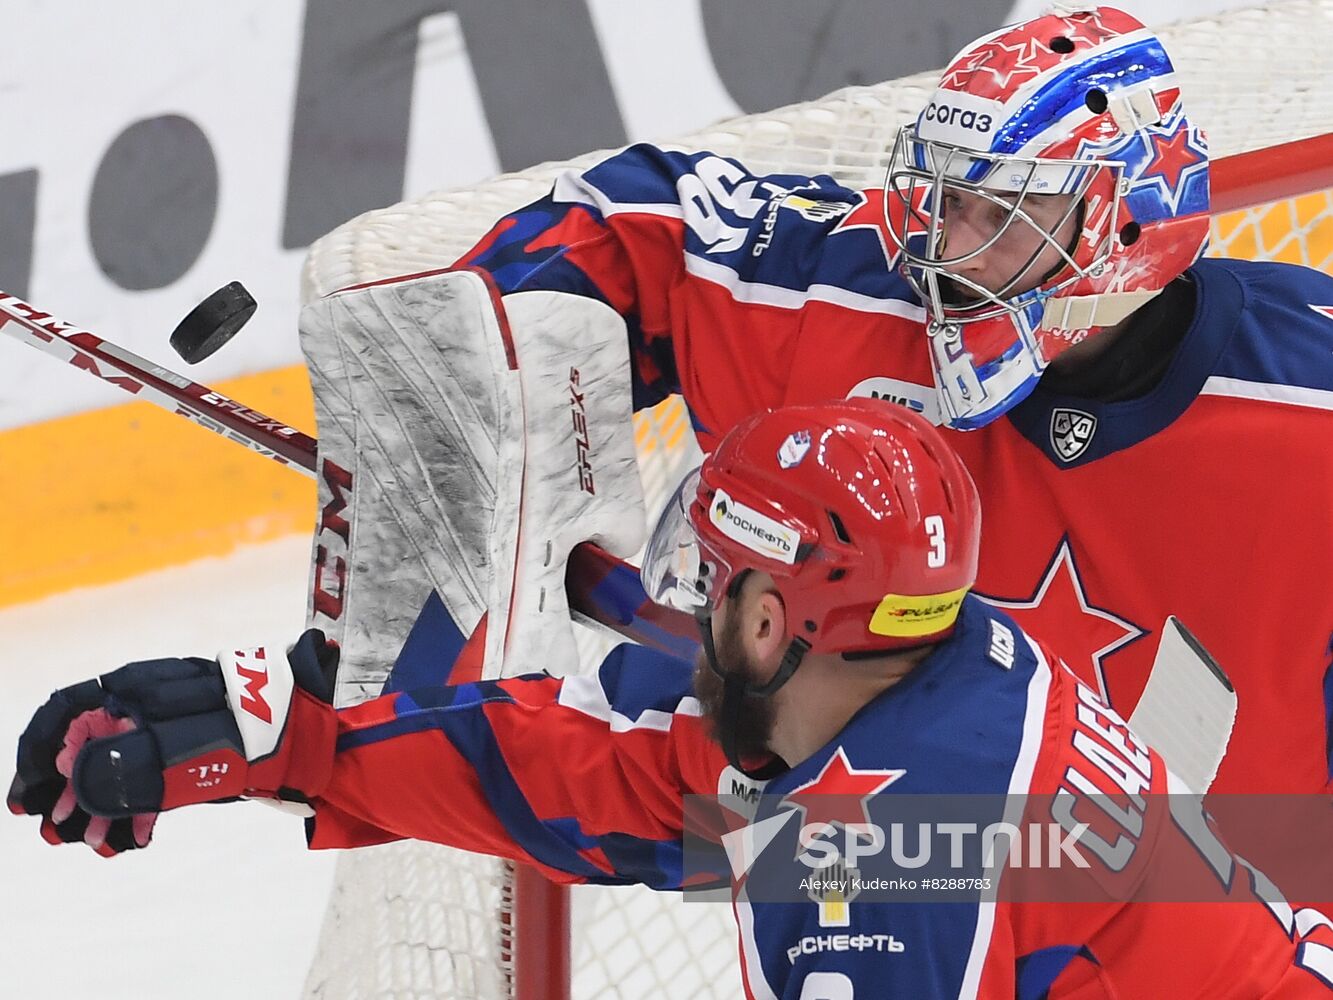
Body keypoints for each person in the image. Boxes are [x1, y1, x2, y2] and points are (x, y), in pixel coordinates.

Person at [11, 400, 1333, 997]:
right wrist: (307, 744)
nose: (693, 618)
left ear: (773, 621)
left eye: (713, 592)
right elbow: (641, 793)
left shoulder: (882, 882)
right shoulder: (954, 664)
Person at [446, 5, 1333, 796]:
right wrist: (463, 376)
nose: (943, 247)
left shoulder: (1305, 413)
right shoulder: (855, 289)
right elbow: (632, 229)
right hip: (884, 893)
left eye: (999, 214)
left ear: (1124, 223)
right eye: (943, 196)